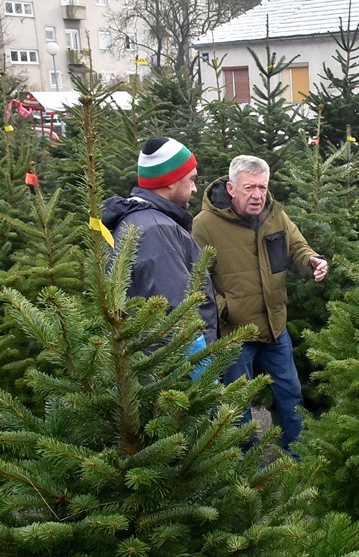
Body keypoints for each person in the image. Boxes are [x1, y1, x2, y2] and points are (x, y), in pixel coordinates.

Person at [193, 155, 328, 451]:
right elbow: (195, 279)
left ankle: (297, 455)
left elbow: (297, 246)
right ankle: (245, 466)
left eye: (262, 187)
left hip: (274, 325)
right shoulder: (204, 225)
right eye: (249, 188)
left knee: (290, 392)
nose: (257, 195)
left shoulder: (274, 215)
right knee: (238, 403)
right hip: (235, 333)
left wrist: (312, 261)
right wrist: (223, 309)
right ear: (231, 188)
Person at [101, 137, 218, 363]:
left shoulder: (139, 220)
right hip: (168, 377)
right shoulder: (157, 230)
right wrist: (202, 373)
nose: (195, 188)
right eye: (191, 180)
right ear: (170, 181)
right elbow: (178, 315)